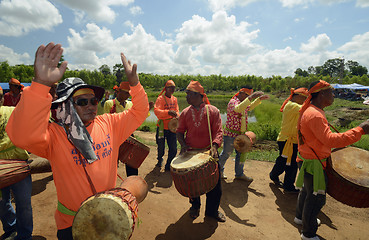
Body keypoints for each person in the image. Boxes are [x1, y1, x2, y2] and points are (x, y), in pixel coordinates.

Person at [6, 42, 149, 240]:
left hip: (109, 216)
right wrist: (40, 86)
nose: (91, 105)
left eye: (93, 100)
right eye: (82, 102)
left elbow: (140, 112)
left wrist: (135, 84)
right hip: (72, 224)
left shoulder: (109, 123)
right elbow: (20, 135)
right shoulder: (54, 135)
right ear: (66, 106)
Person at [294, 80, 369, 240]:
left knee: (307, 192)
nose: (333, 95)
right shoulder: (315, 114)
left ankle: (301, 218)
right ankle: (308, 233)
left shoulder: (312, 110)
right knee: (316, 197)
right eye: (331, 92)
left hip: (307, 159)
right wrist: (360, 130)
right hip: (314, 162)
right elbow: (331, 140)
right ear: (322, 94)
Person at [176, 80, 226, 222]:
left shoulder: (213, 111)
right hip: (191, 153)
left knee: (215, 187)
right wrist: (183, 145)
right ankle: (195, 206)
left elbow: (218, 132)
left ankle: (212, 211)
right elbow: (179, 132)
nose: (186, 97)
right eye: (186, 94)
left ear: (198, 95)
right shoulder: (185, 113)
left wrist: (215, 147)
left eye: (189, 94)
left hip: (208, 153)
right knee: (192, 185)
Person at [0, 86, 33, 240]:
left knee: (23, 203)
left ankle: (25, 234)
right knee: (2, 203)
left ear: (2, 98)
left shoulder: (12, 111)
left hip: (19, 165)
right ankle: (11, 228)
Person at [218, 86, 269, 182]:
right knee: (226, 154)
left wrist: (258, 99)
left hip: (240, 134)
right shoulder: (233, 102)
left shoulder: (243, 103)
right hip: (230, 134)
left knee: (241, 154)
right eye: (247, 95)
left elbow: (249, 107)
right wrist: (251, 97)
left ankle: (239, 174)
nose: (247, 98)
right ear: (241, 93)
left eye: (249, 96)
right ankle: (219, 172)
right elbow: (238, 109)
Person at [269, 87, 308, 192]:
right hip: (287, 140)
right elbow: (305, 108)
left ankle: (277, 177)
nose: (306, 100)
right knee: (289, 163)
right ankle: (287, 184)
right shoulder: (291, 105)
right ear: (299, 97)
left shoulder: (294, 105)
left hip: (291, 140)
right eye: (305, 98)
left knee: (286, 161)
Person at [104, 81, 139, 176]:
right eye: (126, 93)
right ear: (118, 92)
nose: (128, 95)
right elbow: (106, 122)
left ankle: (132, 183)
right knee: (112, 164)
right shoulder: (109, 103)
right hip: (114, 137)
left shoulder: (130, 104)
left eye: (129, 93)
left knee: (131, 163)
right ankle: (109, 184)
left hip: (129, 136)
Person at [154, 80, 179, 171]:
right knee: (161, 147)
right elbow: (156, 111)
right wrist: (168, 112)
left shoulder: (174, 99)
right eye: (170, 87)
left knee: (173, 148)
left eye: (173, 88)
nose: (172, 89)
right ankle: (160, 159)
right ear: (166, 88)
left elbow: (177, 111)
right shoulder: (160, 99)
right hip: (162, 127)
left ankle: (168, 165)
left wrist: (178, 116)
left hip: (172, 128)